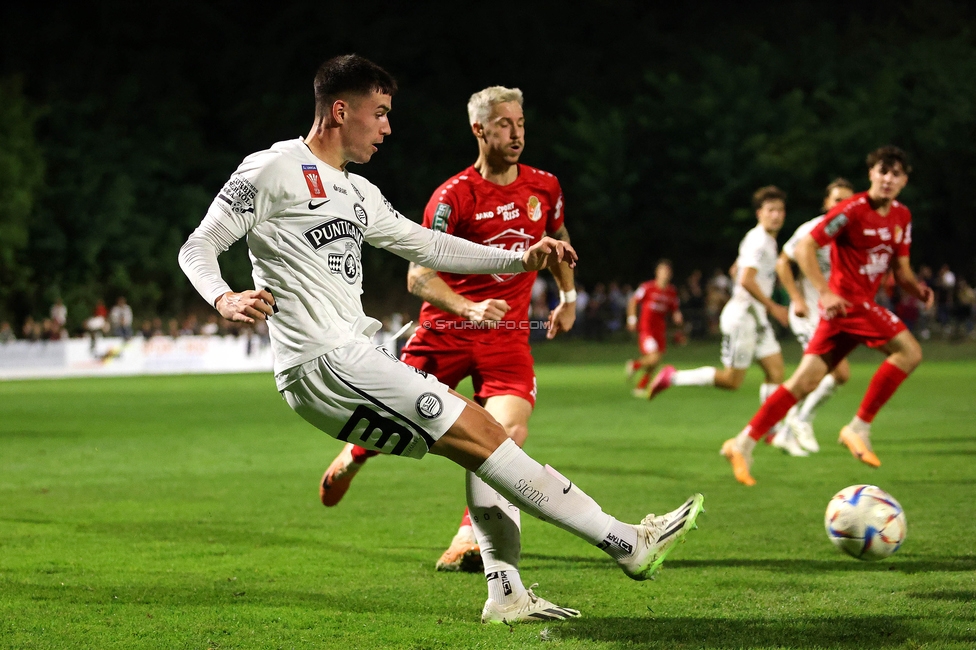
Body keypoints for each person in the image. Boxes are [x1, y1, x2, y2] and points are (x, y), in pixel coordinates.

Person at [178, 55, 703, 624]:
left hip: (350, 359)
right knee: (486, 435)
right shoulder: (273, 167)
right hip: (324, 361)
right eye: (378, 114)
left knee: (486, 444)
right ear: (339, 110)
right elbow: (198, 247)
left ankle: (507, 594)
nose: (387, 128)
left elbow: (429, 246)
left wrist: (520, 256)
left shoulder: (358, 194)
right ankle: (629, 544)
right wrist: (223, 296)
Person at [318, 85, 579, 579]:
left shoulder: (544, 187)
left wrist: (567, 298)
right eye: (504, 124)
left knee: (506, 434)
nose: (516, 133)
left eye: (520, 123)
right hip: (444, 334)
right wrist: (469, 306)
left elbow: (559, 243)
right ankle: (354, 456)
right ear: (479, 130)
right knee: (390, 423)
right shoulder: (452, 196)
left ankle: (467, 539)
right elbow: (418, 275)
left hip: (507, 339)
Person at [719, 147, 933, 486]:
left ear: (905, 179)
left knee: (803, 382)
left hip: (846, 312)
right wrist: (824, 291)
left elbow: (902, 269)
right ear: (871, 174)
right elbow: (804, 247)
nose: (888, 178)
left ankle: (743, 442)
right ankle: (858, 427)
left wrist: (917, 289)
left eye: (896, 173)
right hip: (849, 304)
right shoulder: (851, 210)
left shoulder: (901, 217)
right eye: (882, 171)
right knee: (909, 352)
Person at [648, 186, 806, 456]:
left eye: (780, 210)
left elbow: (736, 270)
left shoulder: (763, 240)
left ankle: (771, 430)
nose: (776, 216)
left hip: (755, 318)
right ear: (760, 213)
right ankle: (673, 377)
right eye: (770, 210)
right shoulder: (759, 241)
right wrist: (773, 307)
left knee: (776, 371)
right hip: (743, 318)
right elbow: (744, 278)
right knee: (733, 381)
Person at [774, 178, 855, 452]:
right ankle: (799, 420)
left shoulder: (853, 234)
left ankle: (787, 429)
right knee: (834, 371)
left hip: (831, 317)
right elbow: (783, 261)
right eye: (836, 200)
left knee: (837, 376)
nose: (841, 205)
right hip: (808, 313)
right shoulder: (812, 230)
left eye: (846, 200)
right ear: (826, 203)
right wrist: (796, 298)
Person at [627, 259, 683, 396]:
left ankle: (640, 387)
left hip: (660, 330)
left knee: (655, 362)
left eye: (667, 272)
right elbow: (633, 301)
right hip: (646, 328)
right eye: (662, 271)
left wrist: (677, 315)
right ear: (657, 272)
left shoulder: (671, 292)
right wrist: (632, 318)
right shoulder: (647, 287)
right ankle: (634, 365)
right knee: (654, 358)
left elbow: (674, 308)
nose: (665, 274)